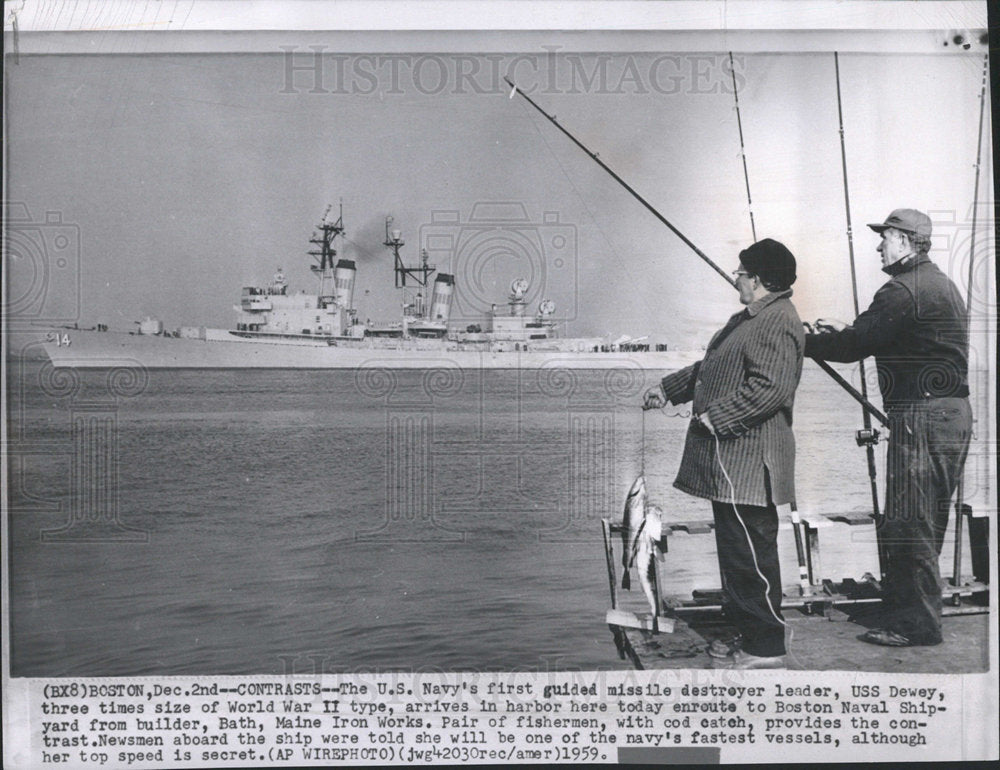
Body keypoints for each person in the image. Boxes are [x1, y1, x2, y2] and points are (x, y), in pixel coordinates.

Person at [805, 208, 972, 647]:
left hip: (921, 415)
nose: (879, 245)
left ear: (903, 241)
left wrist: (802, 341)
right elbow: (893, 335)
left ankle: (916, 625)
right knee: (928, 518)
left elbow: (853, 348)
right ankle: (911, 608)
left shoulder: (899, 289)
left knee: (909, 521)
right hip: (954, 414)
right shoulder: (943, 286)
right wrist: (853, 329)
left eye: (885, 237)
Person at [644, 239, 804, 669]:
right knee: (737, 552)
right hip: (732, 463)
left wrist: (719, 418)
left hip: (750, 463)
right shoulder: (750, 318)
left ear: (759, 279)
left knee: (750, 555)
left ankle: (765, 646)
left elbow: (772, 387)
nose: (735, 277)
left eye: (741, 271)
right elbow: (712, 368)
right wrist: (667, 389)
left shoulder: (776, 320)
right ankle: (747, 630)